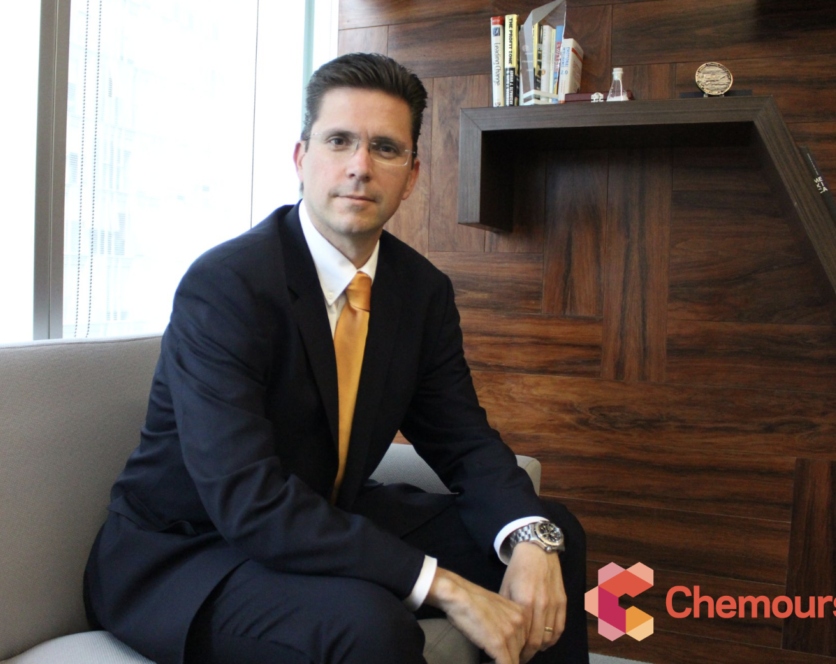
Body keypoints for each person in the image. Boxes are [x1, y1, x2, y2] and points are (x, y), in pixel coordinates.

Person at [83, 52, 588, 664]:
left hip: (320, 515)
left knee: (550, 532)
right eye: (339, 141)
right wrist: (443, 584)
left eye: (385, 148)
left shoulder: (420, 291)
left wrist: (529, 537)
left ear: (413, 173)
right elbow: (249, 500)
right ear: (302, 158)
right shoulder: (228, 285)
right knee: (368, 625)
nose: (359, 167)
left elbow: (462, 440)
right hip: (189, 552)